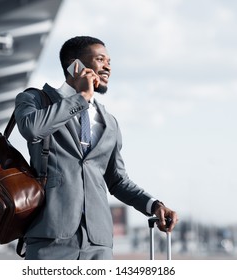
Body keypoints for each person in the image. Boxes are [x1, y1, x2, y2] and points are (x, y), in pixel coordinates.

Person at [14, 35, 178, 260]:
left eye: (109, 61)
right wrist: (81, 98)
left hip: (98, 243)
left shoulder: (109, 122)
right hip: (49, 238)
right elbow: (31, 129)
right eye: (100, 59)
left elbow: (117, 181)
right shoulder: (36, 100)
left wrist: (153, 205)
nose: (108, 66)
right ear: (75, 65)